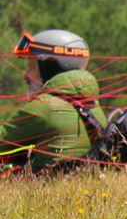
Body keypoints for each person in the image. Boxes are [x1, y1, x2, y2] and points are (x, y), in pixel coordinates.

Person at [0, 29, 106, 174]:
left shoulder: (43, 108)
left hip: (40, 191)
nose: (26, 76)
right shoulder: (94, 106)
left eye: (31, 67)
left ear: (49, 67)